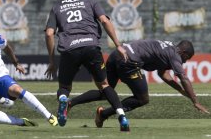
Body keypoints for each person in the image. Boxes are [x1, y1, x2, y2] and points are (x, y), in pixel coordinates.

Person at [44, 0, 130, 131]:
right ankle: (122, 117)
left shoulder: (57, 7)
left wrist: (51, 60)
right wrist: (118, 44)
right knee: (104, 85)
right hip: (91, 47)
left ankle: (64, 99)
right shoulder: (91, 1)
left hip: (69, 49)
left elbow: (49, 33)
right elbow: (104, 21)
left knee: (64, 87)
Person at [68, 39, 210, 128]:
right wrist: (195, 101)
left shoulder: (167, 49)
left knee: (106, 91)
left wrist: (182, 92)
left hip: (117, 54)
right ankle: (104, 114)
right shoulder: (174, 55)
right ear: (183, 53)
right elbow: (183, 77)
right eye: (187, 58)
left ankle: (71, 103)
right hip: (129, 61)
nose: (185, 62)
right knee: (143, 98)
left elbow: (164, 75)